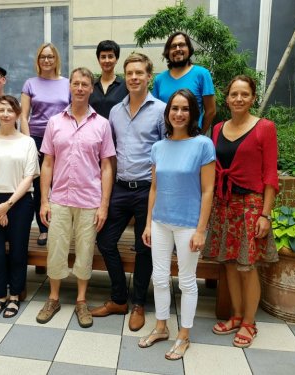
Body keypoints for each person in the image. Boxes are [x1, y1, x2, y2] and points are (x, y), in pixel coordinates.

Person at [35, 67, 116, 328]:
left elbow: (107, 166)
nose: (80, 88)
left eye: (85, 84)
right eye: (76, 84)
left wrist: (104, 205)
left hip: (90, 199)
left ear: (91, 88)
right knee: (55, 249)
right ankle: (54, 297)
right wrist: (44, 200)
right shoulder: (54, 122)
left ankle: (81, 300)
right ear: (69, 87)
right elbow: (47, 162)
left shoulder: (102, 125)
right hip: (59, 198)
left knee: (84, 250)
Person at [138, 89, 215, 360]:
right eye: (174, 109)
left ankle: (184, 335)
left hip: (188, 225)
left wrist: (201, 230)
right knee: (159, 277)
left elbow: (208, 190)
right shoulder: (158, 147)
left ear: (193, 113)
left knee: (186, 281)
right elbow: (154, 189)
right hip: (160, 222)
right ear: (167, 113)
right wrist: (148, 223)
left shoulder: (203, 145)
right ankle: (161, 327)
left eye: (185, 109)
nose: (179, 114)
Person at [203, 75, 279, 348]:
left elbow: (271, 174)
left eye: (244, 94)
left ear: (253, 98)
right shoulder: (218, 129)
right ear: (226, 98)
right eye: (234, 94)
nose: (238, 99)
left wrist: (265, 215)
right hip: (224, 205)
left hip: (251, 206)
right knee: (230, 264)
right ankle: (236, 316)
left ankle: (249, 322)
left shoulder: (264, 127)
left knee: (248, 268)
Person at [91, 53, 166, 332]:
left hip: (148, 188)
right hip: (121, 187)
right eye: (130, 73)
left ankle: (138, 304)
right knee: (106, 239)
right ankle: (119, 298)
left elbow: (166, 151)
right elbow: (108, 154)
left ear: (149, 77)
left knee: (145, 247)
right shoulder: (115, 111)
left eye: (139, 73)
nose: (134, 78)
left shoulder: (161, 110)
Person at [0, 95, 39, 320]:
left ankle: (14, 296)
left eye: (10, 110)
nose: (5, 114)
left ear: (17, 114)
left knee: (18, 251)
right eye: (1, 110)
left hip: (19, 201)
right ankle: (0, 296)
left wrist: (8, 205)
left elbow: (29, 176)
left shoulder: (27, 142)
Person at [20, 43, 70, 247]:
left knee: (60, 182)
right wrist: (28, 143)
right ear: (38, 60)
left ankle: (61, 225)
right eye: (43, 57)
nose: (46, 60)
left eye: (50, 57)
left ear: (56, 59)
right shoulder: (30, 83)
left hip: (61, 138)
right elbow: (24, 116)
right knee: (41, 185)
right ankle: (44, 229)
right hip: (37, 139)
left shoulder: (67, 83)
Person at [152, 32, 216, 134]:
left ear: (189, 49)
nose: (177, 49)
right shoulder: (159, 79)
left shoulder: (202, 74)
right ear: (168, 52)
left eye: (182, 45)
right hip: (166, 138)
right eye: (173, 46)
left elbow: (211, 110)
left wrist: (200, 133)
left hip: (193, 137)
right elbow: (155, 112)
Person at [89, 40, 128, 119]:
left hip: (117, 130)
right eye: (103, 57)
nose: (107, 60)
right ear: (98, 60)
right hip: (95, 131)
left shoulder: (125, 85)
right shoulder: (90, 86)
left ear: (116, 59)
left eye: (110, 56)